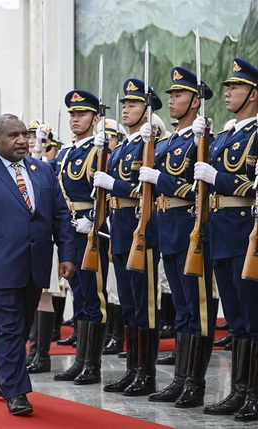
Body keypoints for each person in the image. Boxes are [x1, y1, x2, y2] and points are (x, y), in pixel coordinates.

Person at [0, 113, 75, 416]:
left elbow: (60, 215)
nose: (22, 140)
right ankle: (17, 391)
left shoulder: (42, 170)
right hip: (0, 264)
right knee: (7, 326)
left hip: (36, 263)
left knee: (21, 327)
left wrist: (67, 254)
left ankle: (1, 378)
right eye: (14, 135)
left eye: (24, 134)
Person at [139, 66, 216, 408]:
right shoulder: (169, 140)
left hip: (189, 227)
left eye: (179, 94)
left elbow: (197, 188)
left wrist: (203, 140)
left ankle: (194, 384)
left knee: (197, 309)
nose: (171, 100)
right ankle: (180, 380)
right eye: (170, 95)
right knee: (182, 310)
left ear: (196, 101)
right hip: (167, 229)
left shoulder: (200, 138)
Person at [193, 58, 258, 422]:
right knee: (235, 321)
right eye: (229, 87)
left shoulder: (256, 134)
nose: (228, 92)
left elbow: (252, 186)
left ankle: (254, 395)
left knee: (253, 317)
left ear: (253, 94)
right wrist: (202, 140)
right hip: (220, 232)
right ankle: (239, 391)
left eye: (236, 87)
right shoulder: (226, 135)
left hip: (245, 233)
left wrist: (216, 177)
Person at [94, 78, 163, 396]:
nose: (125, 109)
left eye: (133, 104)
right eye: (124, 104)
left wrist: (114, 185)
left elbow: (145, 189)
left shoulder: (150, 145)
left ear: (147, 111)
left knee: (144, 303)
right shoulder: (122, 146)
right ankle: (132, 370)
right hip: (120, 229)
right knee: (129, 304)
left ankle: (146, 374)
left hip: (141, 229)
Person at [52, 90, 110, 385]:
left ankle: (92, 365)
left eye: (82, 114)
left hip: (91, 232)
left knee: (93, 297)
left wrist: (96, 221)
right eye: (73, 114)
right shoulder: (65, 154)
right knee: (79, 294)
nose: (75, 119)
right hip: (69, 231)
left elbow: (107, 193)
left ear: (95, 119)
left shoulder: (99, 151)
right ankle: (80, 361)